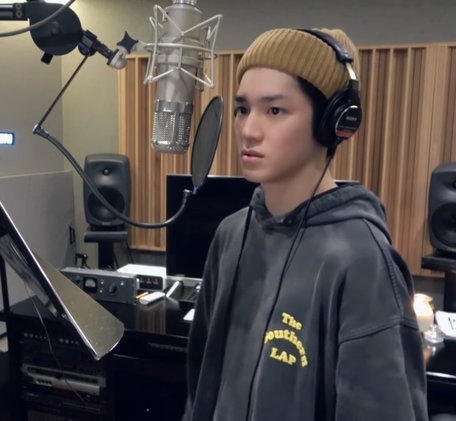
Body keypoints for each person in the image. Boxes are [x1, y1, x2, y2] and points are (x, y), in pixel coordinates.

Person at [182, 27, 429, 421]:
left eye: (274, 111)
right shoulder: (231, 234)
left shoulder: (363, 261)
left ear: (333, 123)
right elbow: (202, 386)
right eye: (243, 109)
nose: (249, 131)